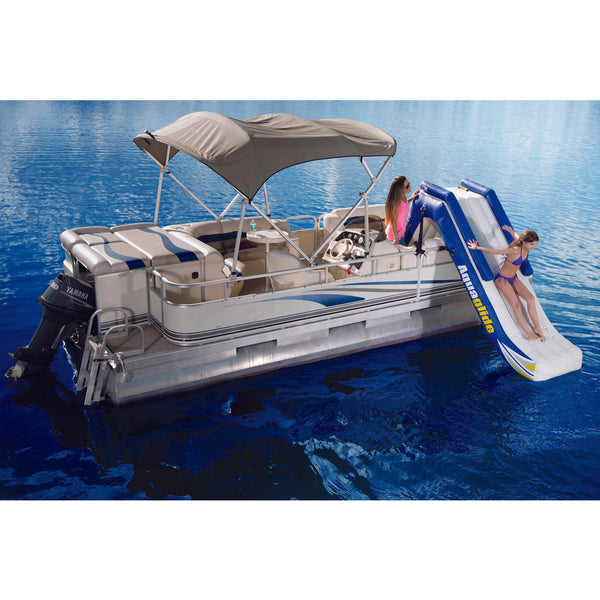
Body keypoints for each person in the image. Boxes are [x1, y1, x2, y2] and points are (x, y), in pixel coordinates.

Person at [467, 226, 545, 342]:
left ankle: (537, 327)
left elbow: (517, 237)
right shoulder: (515, 250)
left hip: (513, 278)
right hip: (502, 280)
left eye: (535, 244)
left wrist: (511, 231)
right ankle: (529, 334)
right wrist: (477, 247)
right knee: (516, 306)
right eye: (532, 244)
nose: (533, 247)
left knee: (531, 298)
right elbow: (497, 252)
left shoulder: (525, 247)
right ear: (525, 242)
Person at [384, 176, 419, 245]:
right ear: (400, 189)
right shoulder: (396, 202)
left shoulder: (403, 196)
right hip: (394, 236)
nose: (410, 186)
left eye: (409, 183)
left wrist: (411, 198)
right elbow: (393, 221)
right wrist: (396, 239)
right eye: (407, 186)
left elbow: (403, 206)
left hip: (401, 232)